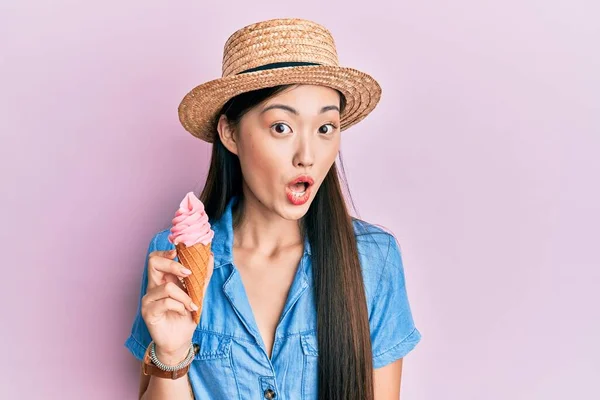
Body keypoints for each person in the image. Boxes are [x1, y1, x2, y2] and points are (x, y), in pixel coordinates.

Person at [125, 17, 421, 400]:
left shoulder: (373, 259)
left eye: (325, 128)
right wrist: (170, 353)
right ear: (230, 133)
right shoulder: (173, 257)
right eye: (282, 127)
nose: (308, 156)